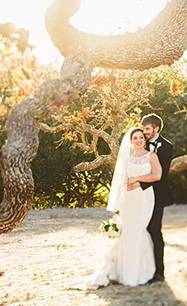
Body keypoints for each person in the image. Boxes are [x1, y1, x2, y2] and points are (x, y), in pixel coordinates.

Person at [70, 127, 163, 289]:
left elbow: (157, 175)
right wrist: (117, 205)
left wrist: (137, 180)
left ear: (145, 139)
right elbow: (120, 183)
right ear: (131, 141)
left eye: (141, 137)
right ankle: (124, 273)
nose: (139, 140)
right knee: (127, 233)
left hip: (145, 198)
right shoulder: (127, 159)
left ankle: (142, 272)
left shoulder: (152, 156)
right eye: (136, 138)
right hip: (128, 199)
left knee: (139, 230)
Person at [130, 113, 173, 283]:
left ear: (156, 128)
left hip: (156, 196)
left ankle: (159, 273)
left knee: (154, 230)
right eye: (143, 129)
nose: (144, 132)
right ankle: (141, 269)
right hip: (138, 196)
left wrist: (139, 184)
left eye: (147, 129)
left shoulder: (167, 147)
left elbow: (159, 175)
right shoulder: (141, 142)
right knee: (139, 230)